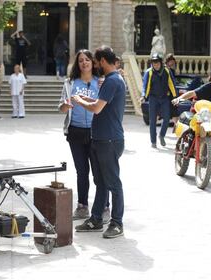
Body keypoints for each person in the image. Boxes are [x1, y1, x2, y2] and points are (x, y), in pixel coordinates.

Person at [72, 46, 126, 239]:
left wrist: (79, 101)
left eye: (95, 62)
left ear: (103, 60)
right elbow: (100, 101)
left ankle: (117, 222)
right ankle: (96, 219)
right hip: (102, 138)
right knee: (101, 182)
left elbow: (96, 108)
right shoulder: (112, 80)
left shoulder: (112, 81)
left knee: (113, 182)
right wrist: (85, 98)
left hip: (109, 139)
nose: (94, 65)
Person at [58, 49, 110, 223]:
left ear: (92, 62)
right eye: (81, 60)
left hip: (97, 133)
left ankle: (104, 206)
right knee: (82, 171)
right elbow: (61, 107)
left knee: (99, 172)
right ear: (77, 64)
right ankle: (82, 206)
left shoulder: (101, 82)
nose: (84, 63)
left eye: (87, 60)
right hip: (75, 132)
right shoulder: (70, 83)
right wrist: (66, 105)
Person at [140, 53, 177, 148]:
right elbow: (145, 86)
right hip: (153, 98)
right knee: (152, 120)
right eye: (153, 63)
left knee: (167, 118)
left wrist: (175, 97)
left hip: (164, 98)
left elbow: (172, 85)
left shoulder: (167, 71)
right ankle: (153, 141)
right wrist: (144, 96)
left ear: (161, 63)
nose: (155, 65)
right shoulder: (149, 72)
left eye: (157, 63)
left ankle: (162, 135)